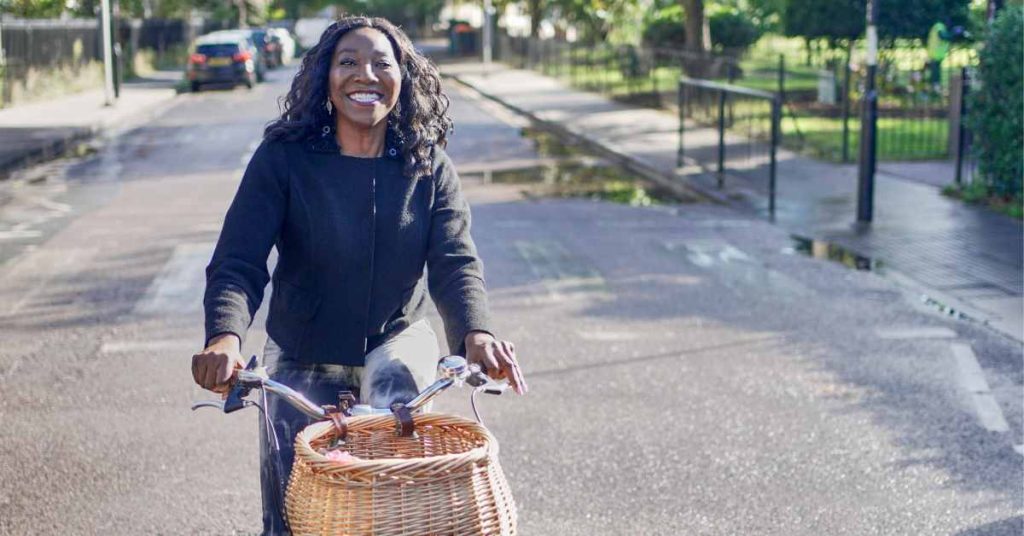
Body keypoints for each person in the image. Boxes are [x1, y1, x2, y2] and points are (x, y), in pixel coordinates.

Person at [189, 16, 527, 534]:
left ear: (402, 78)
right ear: (326, 76)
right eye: (348, 62)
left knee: (395, 494)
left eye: (380, 63)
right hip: (303, 348)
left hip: (397, 339)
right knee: (295, 511)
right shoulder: (284, 159)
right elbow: (239, 259)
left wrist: (476, 334)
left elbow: (456, 261)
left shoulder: (427, 166)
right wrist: (225, 338)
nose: (364, 74)